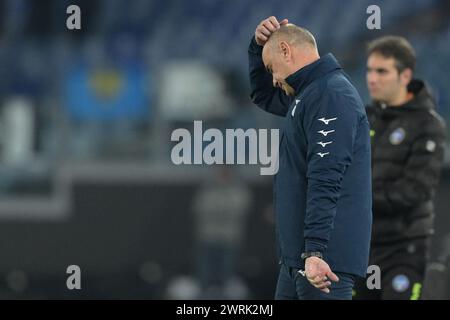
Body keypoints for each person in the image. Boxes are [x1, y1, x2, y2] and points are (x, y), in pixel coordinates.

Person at [248, 17, 372, 300]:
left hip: (324, 261)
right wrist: (257, 50)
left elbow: (326, 177)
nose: (274, 78)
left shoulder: (331, 94)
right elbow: (262, 95)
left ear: (286, 51)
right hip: (300, 261)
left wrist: (316, 250)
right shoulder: (308, 93)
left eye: (271, 68)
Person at [353, 36, 446, 300]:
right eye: (370, 70)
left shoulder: (429, 125)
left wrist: (359, 200)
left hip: (403, 250)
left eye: (382, 71)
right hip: (360, 249)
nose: (372, 78)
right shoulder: (363, 121)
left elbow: (415, 190)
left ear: (405, 75)